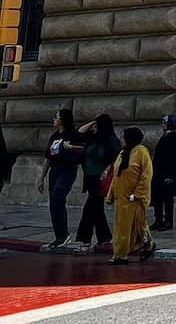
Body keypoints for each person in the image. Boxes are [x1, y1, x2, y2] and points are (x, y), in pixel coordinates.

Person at [37, 108, 85, 250]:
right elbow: (48, 158)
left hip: (68, 170)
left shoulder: (73, 134)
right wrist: (41, 178)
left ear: (62, 120)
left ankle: (64, 235)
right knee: (53, 203)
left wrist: (70, 147)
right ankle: (59, 237)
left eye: (56, 117)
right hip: (55, 171)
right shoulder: (54, 136)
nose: (54, 119)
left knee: (58, 197)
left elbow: (83, 149)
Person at [106, 128, 155, 264]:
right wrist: (111, 194)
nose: (121, 140)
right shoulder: (122, 153)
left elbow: (146, 175)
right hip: (122, 198)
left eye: (123, 137)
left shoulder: (141, 152)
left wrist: (138, 194)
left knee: (139, 225)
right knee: (121, 227)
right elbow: (116, 175)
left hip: (134, 197)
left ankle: (147, 244)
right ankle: (121, 254)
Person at [75, 114, 121, 252]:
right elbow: (79, 133)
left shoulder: (111, 141)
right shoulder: (93, 138)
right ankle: (104, 237)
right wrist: (93, 121)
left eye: (97, 125)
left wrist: (106, 170)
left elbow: (116, 160)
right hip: (90, 179)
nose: (94, 127)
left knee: (89, 209)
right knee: (97, 209)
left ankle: (85, 240)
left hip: (101, 180)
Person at [151, 114, 176, 230]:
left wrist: (170, 175)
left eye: (164, 123)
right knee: (157, 197)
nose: (162, 125)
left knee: (168, 199)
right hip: (159, 172)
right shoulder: (165, 136)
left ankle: (168, 221)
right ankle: (158, 219)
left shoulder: (175, 137)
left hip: (168, 173)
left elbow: (174, 158)